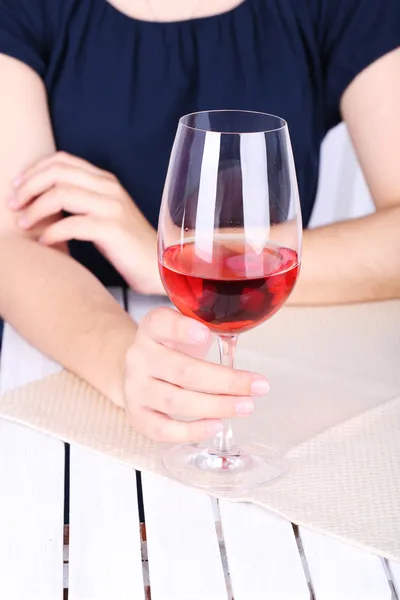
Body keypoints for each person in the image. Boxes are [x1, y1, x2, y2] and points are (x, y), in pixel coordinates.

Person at [0, 0, 400, 444]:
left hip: (294, 358)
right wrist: (123, 361)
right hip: (66, 353)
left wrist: (163, 251)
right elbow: (11, 239)